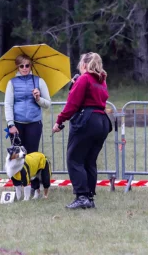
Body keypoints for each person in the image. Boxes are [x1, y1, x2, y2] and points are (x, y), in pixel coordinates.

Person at [52, 52, 111, 210]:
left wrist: (59, 120)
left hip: (87, 121)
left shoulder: (84, 78)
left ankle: (81, 196)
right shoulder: (102, 80)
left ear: (84, 64)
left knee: (74, 158)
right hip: (102, 121)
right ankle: (89, 197)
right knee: (89, 160)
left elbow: (73, 103)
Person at [4, 54, 51, 153]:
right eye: (21, 66)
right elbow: (8, 104)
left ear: (31, 66)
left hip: (34, 124)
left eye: (27, 65)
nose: (24, 68)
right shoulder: (11, 83)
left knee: (32, 156)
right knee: (18, 156)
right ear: (18, 67)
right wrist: (11, 124)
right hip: (17, 124)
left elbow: (47, 104)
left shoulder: (39, 81)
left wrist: (38, 98)